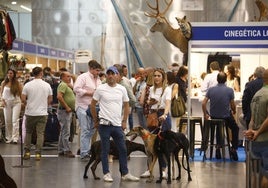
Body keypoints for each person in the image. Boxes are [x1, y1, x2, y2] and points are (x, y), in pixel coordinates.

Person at [90, 66, 139, 182]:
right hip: (104, 125)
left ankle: (125, 173)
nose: (111, 76)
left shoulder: (121, 89)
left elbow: (127, 105)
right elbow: (92, 105)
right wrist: (96, 120)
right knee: (105, 149)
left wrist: (124, 120)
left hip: (117, 125)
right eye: (109, 74)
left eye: (113, 74)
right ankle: (106, 173)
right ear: (106, 76)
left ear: (117, 75)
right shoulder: (101, 89)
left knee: (123, 149)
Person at [140, 68, 171, 178]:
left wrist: (165, 114)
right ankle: (149, 169)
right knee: (150, 146)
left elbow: (167, 103)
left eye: (159, 76)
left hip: (163, 116)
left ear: (163, 77)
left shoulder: (167, 89)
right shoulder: (151, 89)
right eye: (155, 76)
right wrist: (150, 102)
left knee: (162, 146)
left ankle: (164, 170)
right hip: (152, 116)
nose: (156, 78)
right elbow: (146, 102)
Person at [202, 72, 239, 161]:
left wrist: (205, 114)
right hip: (225, 116)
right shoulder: (230, 90)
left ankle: (218, 148)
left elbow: (203, 103)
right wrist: (234, 111)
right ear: (226, 80)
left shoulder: (210, 90)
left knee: (219, 129)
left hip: (214, 116)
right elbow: (232, 104)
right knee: (235, 128)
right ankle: (233, 148)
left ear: (217, 80)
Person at [73, 60, 102, 160]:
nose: (98, 73)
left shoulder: (98, 80)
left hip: (94, 108)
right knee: (85, 130)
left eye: (99, 71)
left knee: (92, 129)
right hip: (82, 107)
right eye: (97, 70)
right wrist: (89, 93)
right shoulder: (83, 77)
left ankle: (87, 149)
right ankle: (84, 153)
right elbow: (76, 89)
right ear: (91, 69)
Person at [22, 67, 53, 160]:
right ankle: (38, 154)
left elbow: (23, 99)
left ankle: (27, 152)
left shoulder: (27, 85)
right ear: (41, 73)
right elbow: (50, 99)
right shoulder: (47, 85)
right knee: (40, 133)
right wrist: (44, 105)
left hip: (30, 112)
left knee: (28, 132)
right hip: (42, 113)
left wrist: (28, 104)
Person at [244, 68, 268, 187]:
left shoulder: (257, 95)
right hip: (265, 140)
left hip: (255, 142)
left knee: (256, 174)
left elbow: (252, 119)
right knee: (266, 175)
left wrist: (251, 131)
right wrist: (258, 132)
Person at [0, 69, 22, 144]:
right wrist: (2, 100)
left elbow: (21, 93)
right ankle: (8, 137)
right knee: (7, 121)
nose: (10, 74)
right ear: (7, 74)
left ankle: (15, 138)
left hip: (16, 103)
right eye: (8, 73)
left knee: (15, 120)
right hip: (6, 103)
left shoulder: (17, 83)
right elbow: (1, 93)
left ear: (14, 74)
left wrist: (23, 102)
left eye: (11, 73)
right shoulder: (4, 83)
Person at [57, 71, 76, 158]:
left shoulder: (66, 85)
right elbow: (59, 96)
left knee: (64, 130)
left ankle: (61, 149)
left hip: (65, 111)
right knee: (66, 131)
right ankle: (66, 150)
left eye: (70, 76)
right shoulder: (63, 85)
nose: (69, 78)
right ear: (63, 77)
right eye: (68, 76)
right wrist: (67, 107)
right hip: (64, 111)